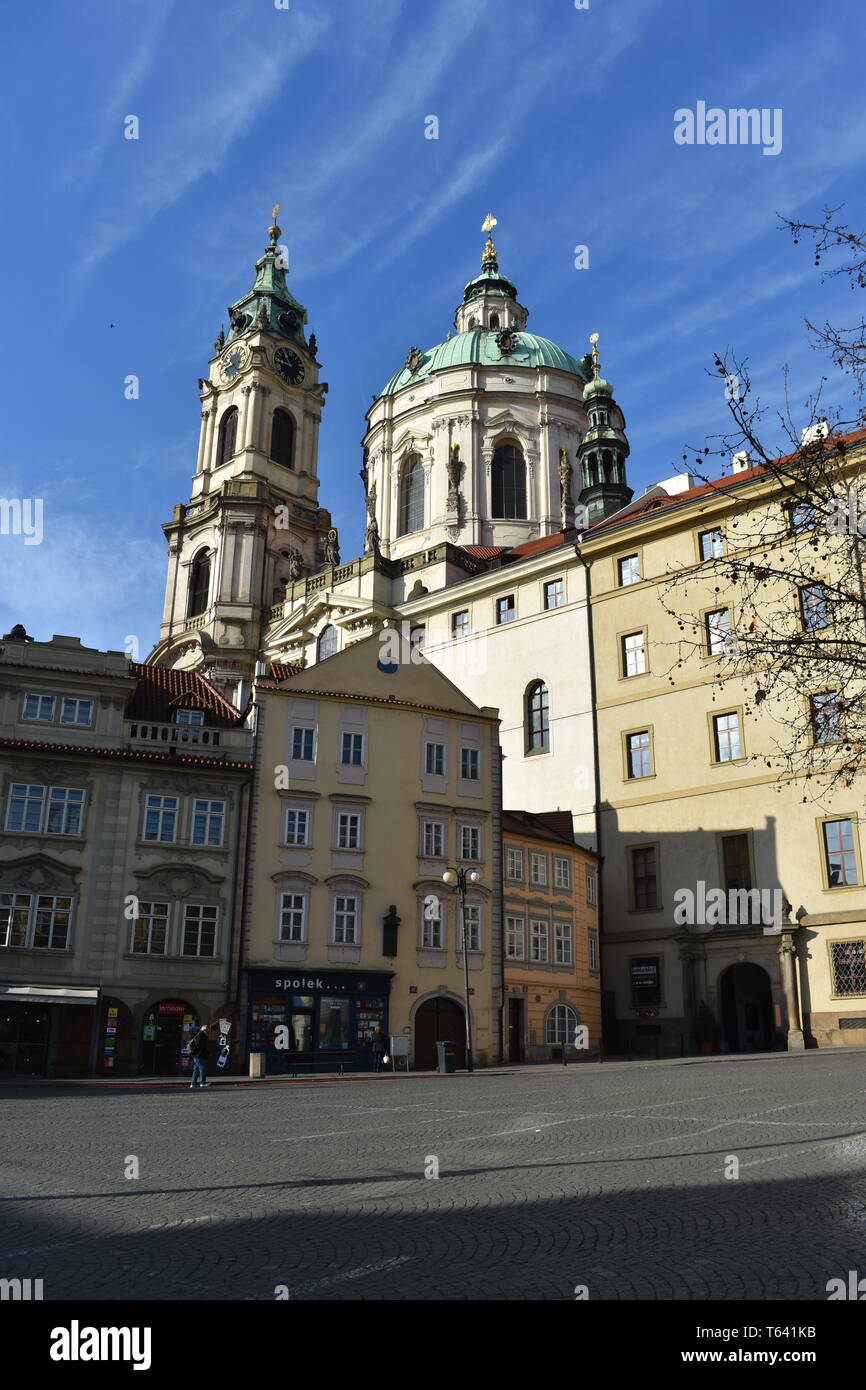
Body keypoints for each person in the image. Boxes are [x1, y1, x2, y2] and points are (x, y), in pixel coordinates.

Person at [188, 1024, 210, 1089]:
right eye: (207, 1029)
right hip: (199, 1055)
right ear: (204, 1029)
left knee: (196, 1070)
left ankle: (193, 1084)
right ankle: (202, 1083)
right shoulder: (201, 1034)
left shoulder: (200, 1034)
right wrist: (202, 1051)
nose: (208, 1031)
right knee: (202, 1068)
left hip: (197, 1055)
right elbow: (199, 1044)